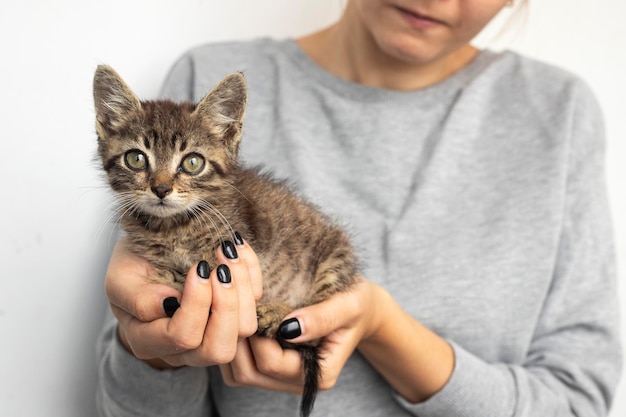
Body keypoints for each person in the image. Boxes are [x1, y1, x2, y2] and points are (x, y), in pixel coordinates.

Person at [95, 0, 622, 416]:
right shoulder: (203, 76)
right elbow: (128, 407)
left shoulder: (560, 114)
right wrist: (158, 352)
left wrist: (381, 328)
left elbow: (577, 403)